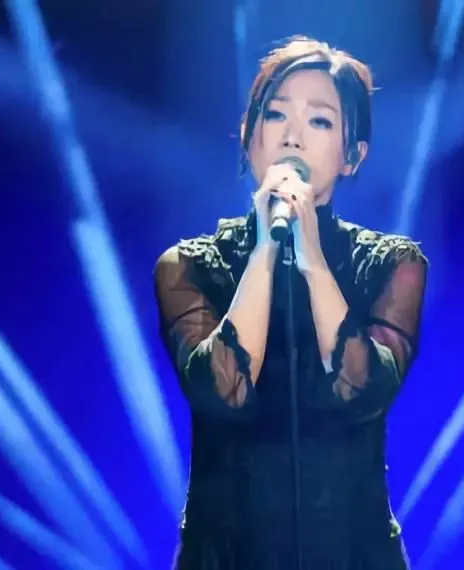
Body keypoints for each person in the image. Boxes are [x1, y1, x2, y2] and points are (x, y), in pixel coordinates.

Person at [154, 35, 428, 569]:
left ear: (353, 156)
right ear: (248, 136)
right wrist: (264, 250)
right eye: (276, 115)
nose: (293, 136)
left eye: (320, 121)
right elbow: (223, 391)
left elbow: (362, 391)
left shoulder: (392, 265)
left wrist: (312, 260)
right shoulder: (188, 267)